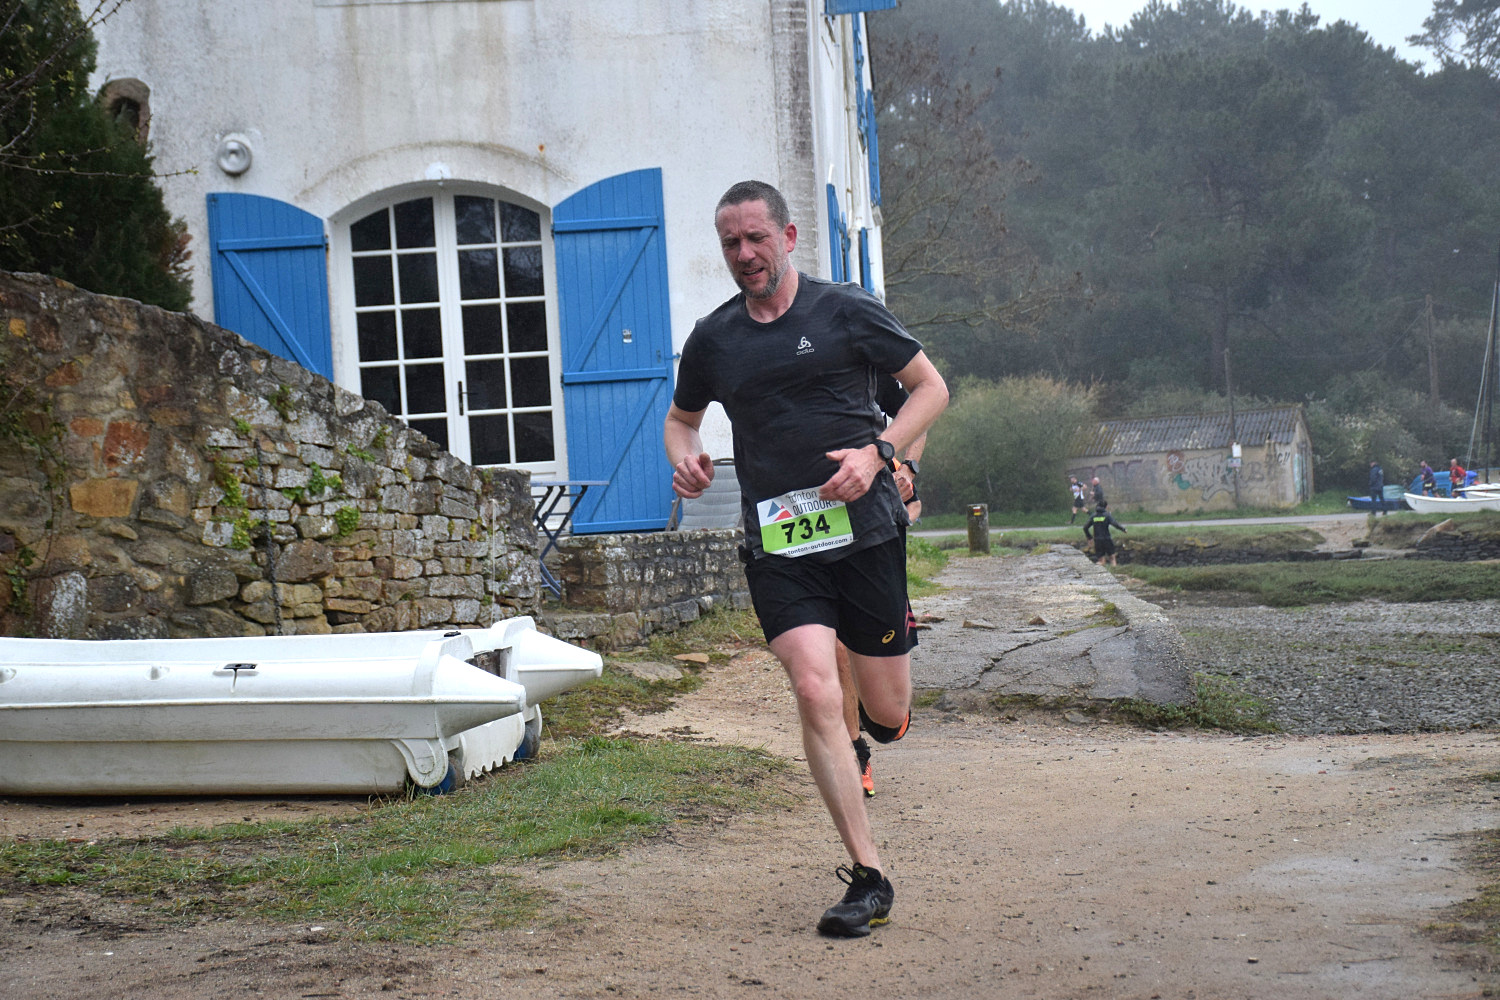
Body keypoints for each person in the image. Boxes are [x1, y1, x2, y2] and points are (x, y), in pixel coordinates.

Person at [664, 180, 949, 938]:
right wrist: (685, 457)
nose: (744, 254)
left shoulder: (846, 311)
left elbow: (930, 389)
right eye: (731, 243)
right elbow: (681, 419)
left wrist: (879, 453)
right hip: (779, 543)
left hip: (867, 535)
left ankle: (880, 719)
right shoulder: (714, 339)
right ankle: (869, 875)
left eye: (756, 238)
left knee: (886, 709)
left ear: (788, 238)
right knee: (814, 687)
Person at [838, 373, 924, 800]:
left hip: (874, 524)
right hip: (806, 519)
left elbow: (920, 407)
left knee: (888, 720)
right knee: (832, 639)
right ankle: (855, 753)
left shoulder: (863, 355)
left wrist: (908, 468)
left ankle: (876, 710)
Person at [1084, 500, 1127, 566]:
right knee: (1112, 558)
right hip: (1107, 539)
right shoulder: (1107, 515)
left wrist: (1089, 537)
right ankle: (1114, 570)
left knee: (1101, 560)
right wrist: (1123, 529)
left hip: (1097, 540)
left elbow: (1085, 527)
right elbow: (1115, 524)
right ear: (1106, 507)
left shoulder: (1093, 516)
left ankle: (1099, 570)